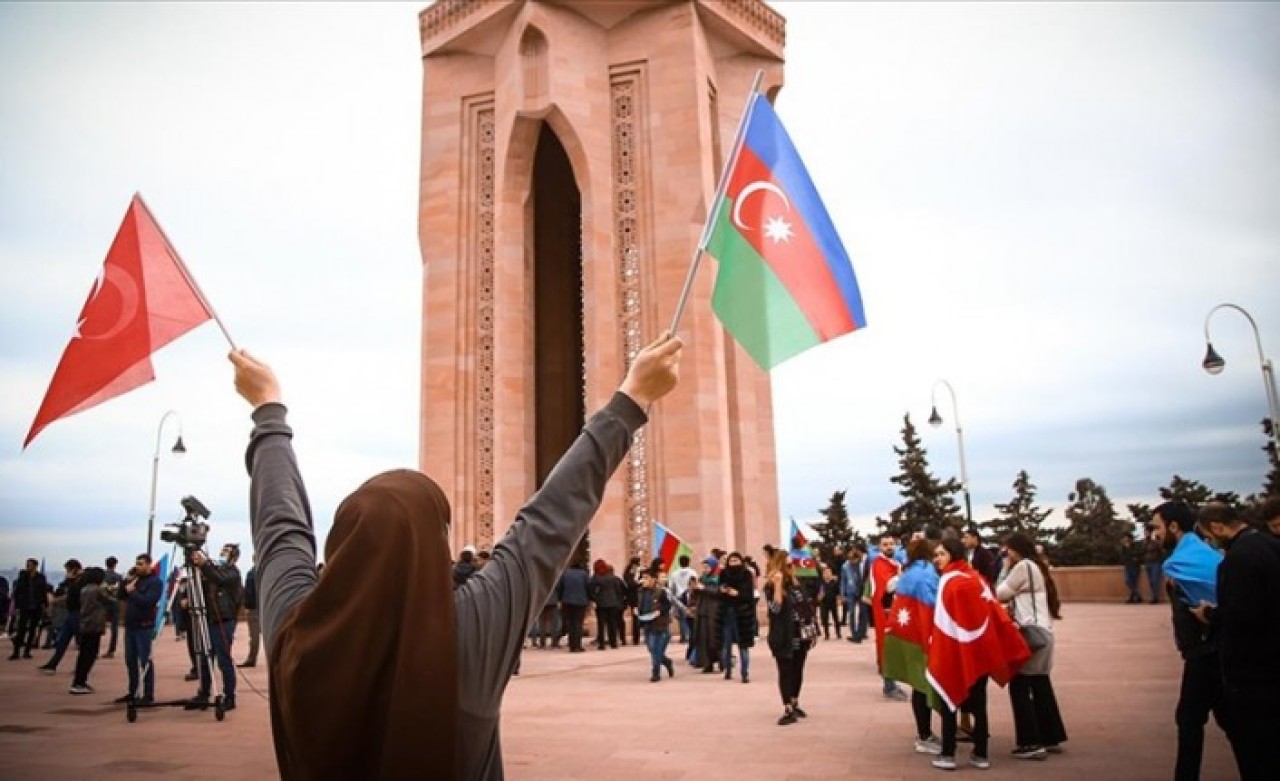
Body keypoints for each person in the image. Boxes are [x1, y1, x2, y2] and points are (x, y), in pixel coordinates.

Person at [230, 333, 681, 779]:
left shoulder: (295, 636)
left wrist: (269, 411)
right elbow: (546, 526)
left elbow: (279, 532)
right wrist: (632, 399)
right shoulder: (468, 634)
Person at [1197, 502, 1280, 781]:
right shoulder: (1270, 545)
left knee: (1255, 752)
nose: (1210, 542)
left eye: (1209, 536)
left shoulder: (1239, 558)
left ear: (1217, 527)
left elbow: (1241, 613)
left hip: (1252, 671)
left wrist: (1208, 613)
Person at [929, 538, 1024, 771]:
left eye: (941, 554)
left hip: (954, 651)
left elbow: (942, 622)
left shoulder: (949, 582)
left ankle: (948, 753)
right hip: (979, 649)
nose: (936, 559)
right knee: (979, 703)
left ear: (952, 554)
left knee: (950, 700)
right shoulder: (976, 579)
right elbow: (992, 612)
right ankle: (981, 753)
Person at [1150, 501, 1225, 781]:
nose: (1154, 534)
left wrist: (1208, 614)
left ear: (1173, 526)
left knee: (1189, 719)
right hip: (1207, 649)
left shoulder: (1179, 561)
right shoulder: (1198, 554)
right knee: (1228, 720)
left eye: (1157, 527)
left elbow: (1217, 595)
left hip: (1205, 651)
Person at [997, 532, 1068, 760]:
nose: (1005, 554)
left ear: (1014, 549)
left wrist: (1005, 567)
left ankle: (1030, 741)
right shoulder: (1036, 566)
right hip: (1043, 633)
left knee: (1019, 685)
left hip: (1030, 634)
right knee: (1040, 685)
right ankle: (1050, 736)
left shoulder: (1023, 567)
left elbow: (1000, 592)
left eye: (1007, 550)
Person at [882, 537, 943, 756]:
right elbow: (934, 605)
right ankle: (926, 736)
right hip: (922, 635)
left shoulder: (908, 574)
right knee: (927, 685)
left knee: (919, 686)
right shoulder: (927, 574)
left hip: (907, 635)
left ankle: (924, 733)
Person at [186, 543, 243, 711]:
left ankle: (229, 697)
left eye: (226, 551)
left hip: (224, 621)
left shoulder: (232, 572)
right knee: (204, 658)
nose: (222, 553)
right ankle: (204, 693)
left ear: (233, 557)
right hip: (209, 620)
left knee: (223, 660)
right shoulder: (213, 570)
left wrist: (203, 564)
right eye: (222, 550)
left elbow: (219, 578)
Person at [765, 548, 814, 726]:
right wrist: (778, 585)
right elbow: (775, 609)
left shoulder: (796, 585)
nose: (792, 568)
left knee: (798, 669)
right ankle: (787, 707)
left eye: (793, 565)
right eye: (789, 565)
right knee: (785, 670)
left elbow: (806, 607)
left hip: (801, 633)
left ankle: (794, 701)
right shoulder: (771, 586)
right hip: (784, 634)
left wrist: (812, 630)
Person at [115, 553, 163, 705]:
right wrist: (126, 583)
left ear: (149, 565)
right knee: (130, 660)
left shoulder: (155, 582)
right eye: (137, 563)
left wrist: (133, 592)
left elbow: (148, 601)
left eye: (141, 564)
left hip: (144, 626)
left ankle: (148, 694)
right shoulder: (135, 580)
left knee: (145, 660)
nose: (138, 566)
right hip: (130, 626)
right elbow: (121, 595)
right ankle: (133, 691)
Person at [866, 535, 907, 700]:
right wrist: (901, 576)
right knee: (886, 645)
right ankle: (889, 685)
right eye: (885, 545)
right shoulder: (878, 564)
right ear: (879, 547)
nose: (889, 547)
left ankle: (892, 683)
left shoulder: (896, 563)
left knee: (895, 645)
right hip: (884, 611)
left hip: (895, 611)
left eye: (891, 544)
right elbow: (888, 586)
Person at [38, 559, 84, 674]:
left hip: (78, 614)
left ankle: (81, 667)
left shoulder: (81, 581)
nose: (66, 572)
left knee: (81, 643)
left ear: (74, 569)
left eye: (68, 570)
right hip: (71, 613)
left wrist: (55, 600)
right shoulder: (70, 581)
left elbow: (69, 595)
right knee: (62, 641)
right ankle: (52, 665)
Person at [69, 567, 108, 695]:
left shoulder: (84, 589)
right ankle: (80, 682)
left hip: (85, 624)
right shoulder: (97, 590)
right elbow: (111, 601)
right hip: (94, 624)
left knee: (83, 654)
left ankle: (79, 680)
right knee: (90, 654)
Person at [718, 551, 755, 683]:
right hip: (727, 612)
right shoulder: (723, 573)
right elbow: (719, 591)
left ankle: (744, 673)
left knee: (743, 645)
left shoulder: (746, 574)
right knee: (726, 644)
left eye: (736, 561)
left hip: (742, 613)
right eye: (731, 561)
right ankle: (727, 670)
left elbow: (749, 595)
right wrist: (722, 590)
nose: (733, 563)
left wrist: (737, 593)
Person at [637, 565, 674, 682]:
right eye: (643, 578)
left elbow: (668, 605)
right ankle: (666, 661)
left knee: (655, 648)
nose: (644, 580)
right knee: (651, 648)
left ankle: (656, 672)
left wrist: (660, 611)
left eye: (647, 578)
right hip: (646, 622)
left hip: (658, 624)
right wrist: (636, 610)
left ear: (653, 579)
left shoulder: (660, 592)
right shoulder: (641, 592)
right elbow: (640, 605)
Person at [9, 559, 48, 660]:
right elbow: (17, 591)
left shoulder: (41, 578)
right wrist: (17, 606)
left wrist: (45, 605)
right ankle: (16, 652)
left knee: (32, 630)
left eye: (30, 565)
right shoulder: (23, 577)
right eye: (27, 565)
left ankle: (27, 651)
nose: (28, 567)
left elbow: (43, 591)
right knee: (21, 629)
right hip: (24, 606)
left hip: (36, 606)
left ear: (35, 566)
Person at [556, 561, 590, 653]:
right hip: (581, 601)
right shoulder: (584, 574)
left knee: (570, 623)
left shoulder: (565, 574)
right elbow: (588, 587)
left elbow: (559, 588)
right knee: (578, 624)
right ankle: (578, 645)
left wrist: (560, 599)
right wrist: (589, 599)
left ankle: (572, 645)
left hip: (567, 601)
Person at [668, 554, 697, 643]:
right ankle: (690, 635)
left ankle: (683, 636)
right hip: (690, 596)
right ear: (688, 562)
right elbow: (696, 583)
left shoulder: (674, 573)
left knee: (681, 618)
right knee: (690, 617)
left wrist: (672, 597)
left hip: (679, 597)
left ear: (679, 562)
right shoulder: (693, 572)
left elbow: (671, 586)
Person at [239, 554, 261, 667]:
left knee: (254, 636)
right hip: (266, 607)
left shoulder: (251, 573)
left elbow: (248, 593)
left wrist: (247, 607)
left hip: (254, 609)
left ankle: (252, 658)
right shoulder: (266, 572)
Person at [102, 556, 123, 659]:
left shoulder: (102, 576)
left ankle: (94, 650)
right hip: (115, 602)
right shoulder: (118, 576)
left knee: (98, 627)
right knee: (114, 628)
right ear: (115, 564)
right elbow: (120, 589)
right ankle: (111, 650)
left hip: (103, 603)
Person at [1141, 525, 1164, 604]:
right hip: (1147, 563)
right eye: (1145, 532)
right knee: (1151, 581)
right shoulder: (1144, 542)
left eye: (1146, 532)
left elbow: (1161, 551)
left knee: (1155, 580)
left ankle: (1155, 597)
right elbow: (1142, 551)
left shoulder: (1156, 541)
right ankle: (1153, 596)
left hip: (1156, 563)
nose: (1145, 533)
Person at [1120, 534, 1143, 604]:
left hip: (1135, 566)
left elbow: (1137, 554)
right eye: (1124, 539)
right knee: (1127, 581)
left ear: (1130, 539)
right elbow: (1123, 556)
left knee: (1134, 582)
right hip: (1128, 566)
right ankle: (1137, 595)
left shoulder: (1135, 546)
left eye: (1127, 538)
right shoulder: (1124, 547)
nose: (1126, 540)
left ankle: (1132, 597)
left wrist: (1129, 549)